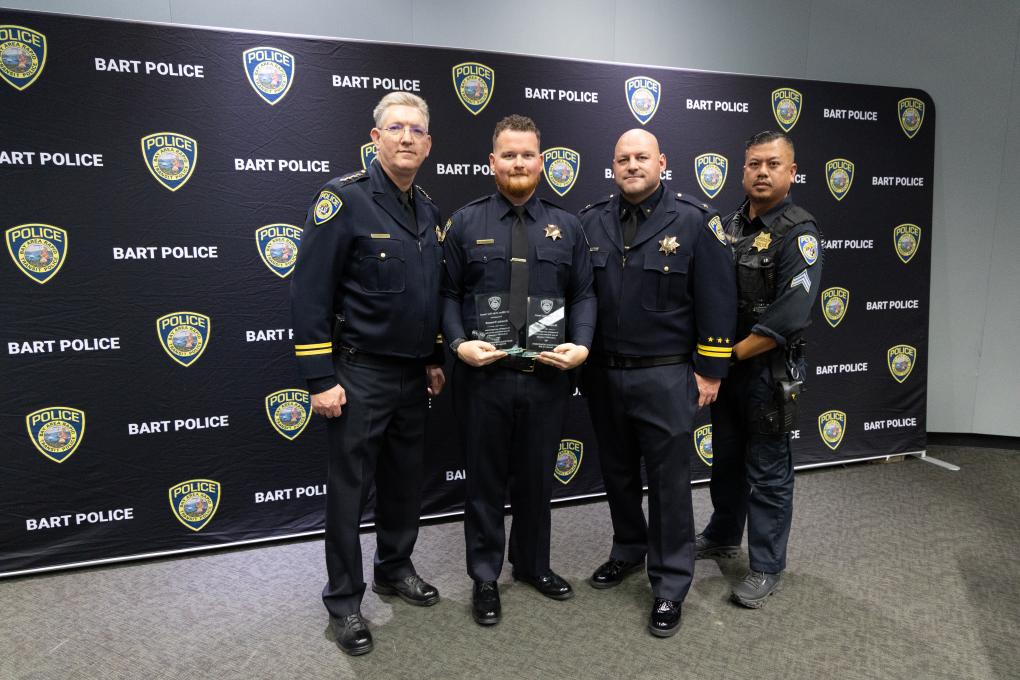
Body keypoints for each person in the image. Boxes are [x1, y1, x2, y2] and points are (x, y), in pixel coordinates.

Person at [289, 92, 446, 656]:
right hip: (357, 376)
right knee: (350, 495)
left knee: (405, 485)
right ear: (375, 138)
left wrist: (433, 356)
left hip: (410, 377)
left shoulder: (427, 209)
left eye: (417, 131)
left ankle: (394, 568)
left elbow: (427, 296)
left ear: (428, 145)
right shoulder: (343, 200)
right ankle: (344, 602)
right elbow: (310, 294)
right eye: (396, 128)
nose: (407, 138)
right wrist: (318, 378)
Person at [578, 129, 737, 637]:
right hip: (604, 373)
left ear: (662, 162)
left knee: (669, 485)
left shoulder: (694, 221)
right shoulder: (590, 223)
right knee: (618, 473)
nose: (631, 165)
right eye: (622, 158)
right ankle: (627, 548)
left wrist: (711, 367)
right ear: (613, 166)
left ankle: (669, 584)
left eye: (641, 157)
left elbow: (717, 296)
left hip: (666, 375)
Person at [441, 114, 596, 626]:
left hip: (547, 377)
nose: (519, 163)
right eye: (508, 155)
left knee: (536, 480)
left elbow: (583, 295)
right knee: (484, 482)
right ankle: (485, 577)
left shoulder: (567, 226)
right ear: (492, 162)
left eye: (527, 154)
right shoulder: (465, 223)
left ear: (542, 160)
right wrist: (458, 344)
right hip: (484, 378)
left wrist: (584, 345)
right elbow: (447, 295)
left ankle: (532, 565)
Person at [696, 130, 823, 608]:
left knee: (768, 470)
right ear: (742, 169)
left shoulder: (799, 231)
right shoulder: (727, 225)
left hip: (768, 373)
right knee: (726, 459)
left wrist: (723, 358)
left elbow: (789, 316)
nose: (762, 172)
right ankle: (723, 532)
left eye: (773, 164)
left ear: (792, 172)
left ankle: (767, 566)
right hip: (728, 372)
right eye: (753, 164)